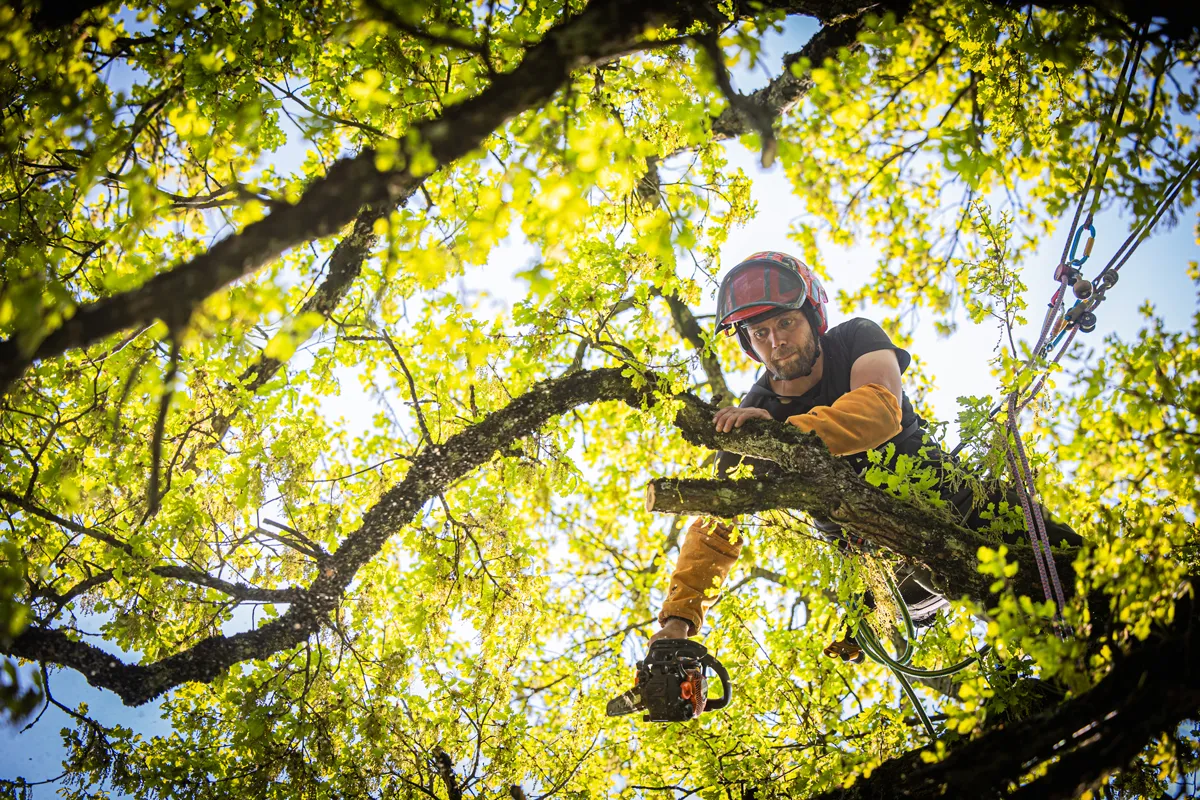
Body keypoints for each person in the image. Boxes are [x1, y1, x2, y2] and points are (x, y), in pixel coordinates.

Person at [649, 251, 1080, 650]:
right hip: (888, 567)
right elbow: (716, 526)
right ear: (749, 345)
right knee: (1050, 645)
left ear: (812, 317)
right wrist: (678, 621)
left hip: (965, 506)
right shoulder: (752, 421)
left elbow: (879, 410)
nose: (776, 340)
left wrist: (783, 436)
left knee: (1086, 579)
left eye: (786, 323)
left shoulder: (856, 338)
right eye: (760, 333)